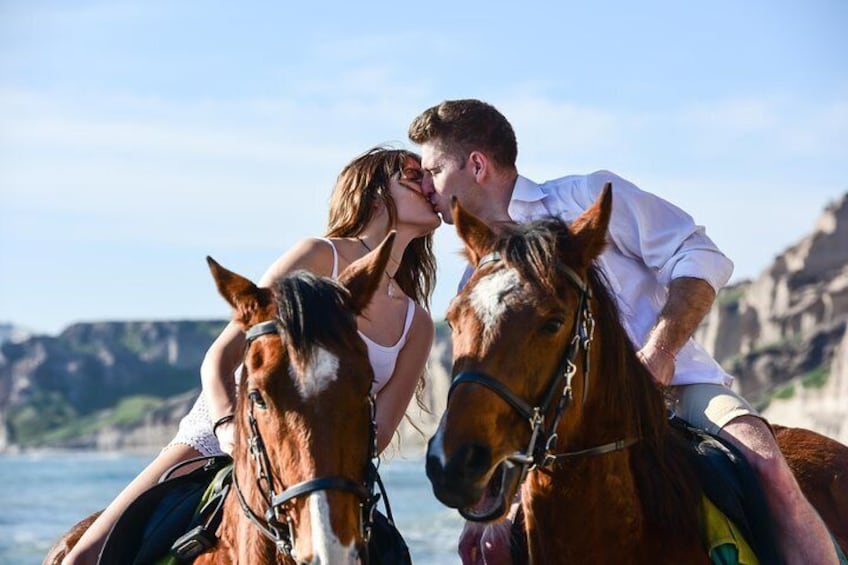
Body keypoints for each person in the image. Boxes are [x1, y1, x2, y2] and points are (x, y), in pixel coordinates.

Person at [408, 98, 840, 565]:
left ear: (476, 164)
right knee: (491, 549)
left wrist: (660, 350)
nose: (425, 187)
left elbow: (701, 256)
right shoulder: (473, 280)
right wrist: (482, 509)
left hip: (679, 389)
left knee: (768, 466)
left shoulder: (587, 196)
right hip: (554, 430)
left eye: (432, 170)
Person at [62, 146, 441, 565]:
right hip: (229, 428)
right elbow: (220, 358)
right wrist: (227, 425)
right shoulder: (317, 255)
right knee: (83, 558)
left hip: (321, 458)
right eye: (414, 175)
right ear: (374, 191)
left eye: (431, 176)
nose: (430, 184)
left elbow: (380, 431)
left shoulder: (416, 322)